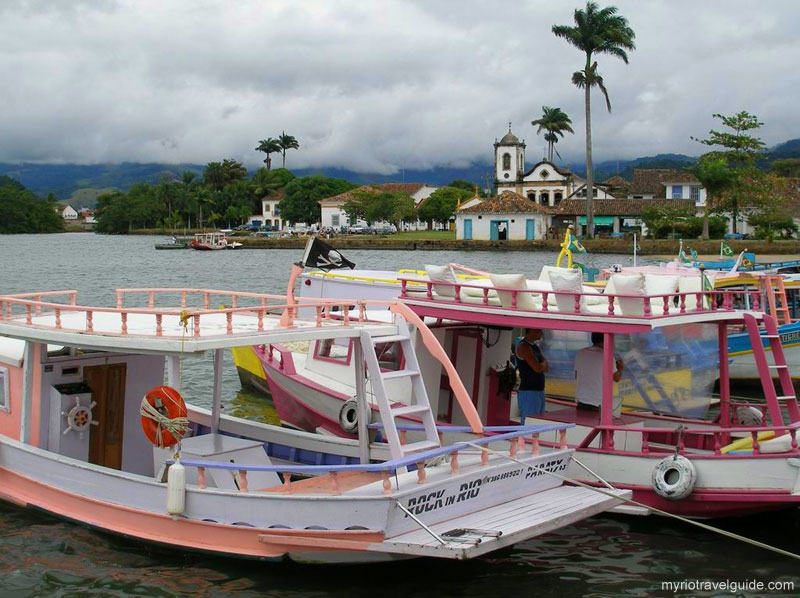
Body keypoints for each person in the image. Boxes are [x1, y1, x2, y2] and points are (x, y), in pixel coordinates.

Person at [574, 332, 624, 416]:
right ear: (605, 340)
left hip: (581, 401)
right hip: (598, 403)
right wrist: (620, 368)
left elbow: (577, 374)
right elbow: (617, 378)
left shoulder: (581, 353)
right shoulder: (607, 356)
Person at [515, 328, 549, 424]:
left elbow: (546, 367)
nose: (541, 333)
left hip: (539, 391)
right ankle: (523, 439)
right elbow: (537, 367)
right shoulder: (524, 347)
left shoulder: (534, 347)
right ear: (532, 331)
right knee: (528, 422)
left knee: (537, 422)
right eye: (539, 331)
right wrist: (542, 363)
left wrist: (542, 364)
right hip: (529, 391)